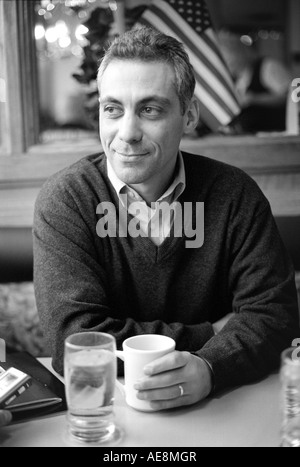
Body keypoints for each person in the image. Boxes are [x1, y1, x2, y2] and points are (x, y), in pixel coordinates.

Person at [33, 27, 299, 411]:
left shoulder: (235, 194)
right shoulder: (67, 200)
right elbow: (76, 339)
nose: (126, 133)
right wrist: (211, 335)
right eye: (113, 109)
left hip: (223, 407)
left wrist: (210, 367)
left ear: (188, 115)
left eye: (149, 109)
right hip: (107, 414)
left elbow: (277, 317)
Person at [218, 31, 292, 133]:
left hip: (275, 134)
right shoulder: (237, 78)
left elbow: (289, 97)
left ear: (239, 53)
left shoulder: (268, 67)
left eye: (227, 58)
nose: (226, 64)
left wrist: (254, 98)